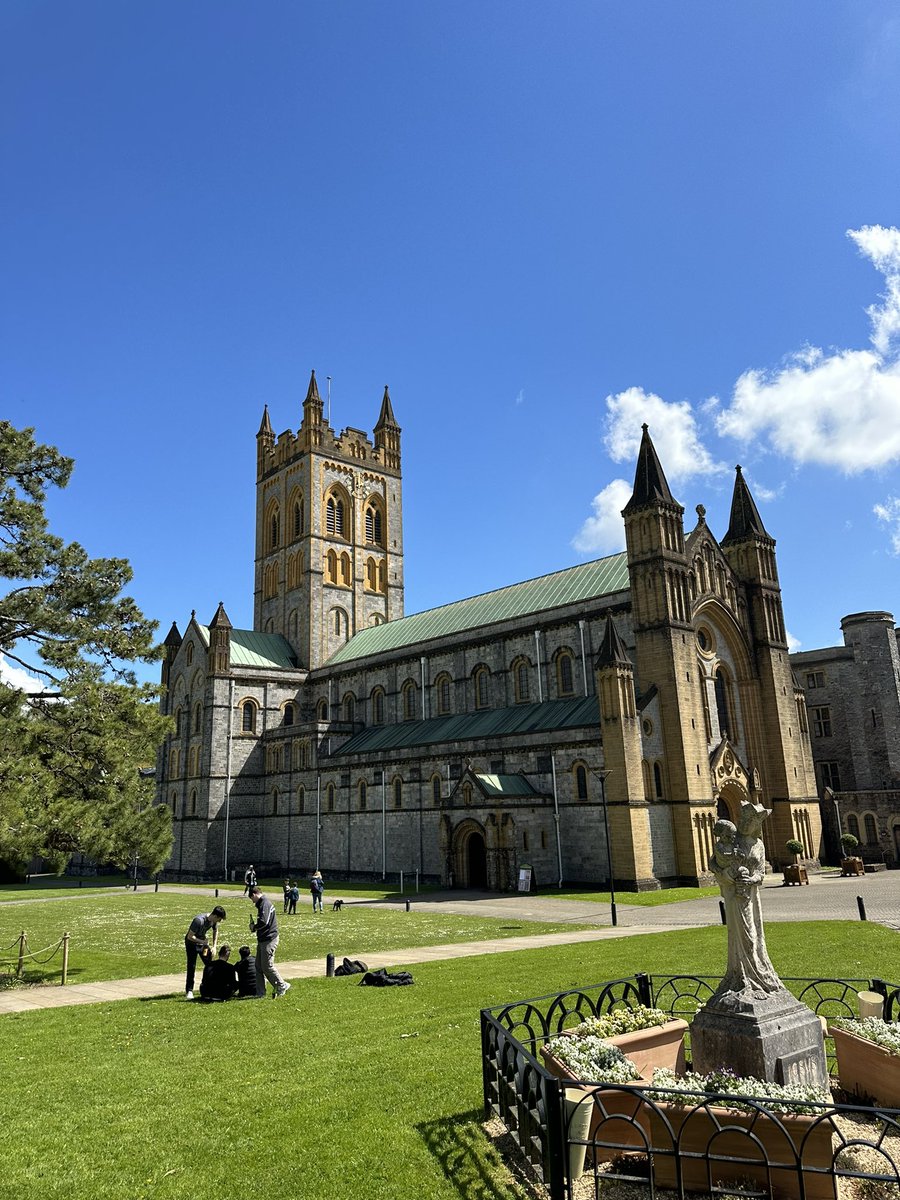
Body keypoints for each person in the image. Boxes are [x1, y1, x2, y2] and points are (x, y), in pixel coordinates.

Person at [248, 885, 290, 998]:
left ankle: (281, 985)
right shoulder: (262, 904)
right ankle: (260, 993)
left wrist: (254, 927)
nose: (252, 902)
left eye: (252, 899)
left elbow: (264, 922)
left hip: (269, 939)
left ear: (254, 894)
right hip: (263, 939)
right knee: (258, 966)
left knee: (267, 966)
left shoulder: (265, 904)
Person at [184, 904, 226, 1000]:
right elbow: (190, 936)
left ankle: (210, 986)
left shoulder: (213, 922)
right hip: (192, 944)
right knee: (192, 966)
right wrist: (202, 941)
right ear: (215, 916)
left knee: (209, 964)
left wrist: (214, 946)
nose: (219, 921)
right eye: (219, 919)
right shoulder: (198, 920)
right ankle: (189, 990)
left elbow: (216, 931)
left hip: (202, 944)